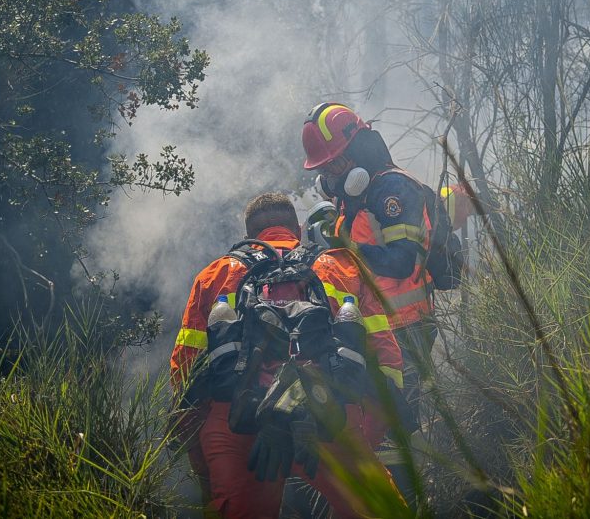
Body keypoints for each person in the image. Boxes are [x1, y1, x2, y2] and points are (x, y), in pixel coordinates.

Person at [170, 192, 405, 518]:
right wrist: (360, 435)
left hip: (239, 422)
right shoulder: (340, 267)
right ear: (298, 229)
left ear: (249, 235)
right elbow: (385, 360)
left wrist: (204, 467)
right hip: (326, 413)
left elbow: (185, 376)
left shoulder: (215, 276)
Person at [301, 102, 440, 508]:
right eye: (324, 168)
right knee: (374, 430)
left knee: (395, 431)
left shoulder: (393, 189)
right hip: (378, 332)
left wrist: (345, 246)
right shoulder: (355, 196)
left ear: (358, 147)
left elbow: (402, 261)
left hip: (407, 328)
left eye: (334, 162)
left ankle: (409, 505)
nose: (329, 174)